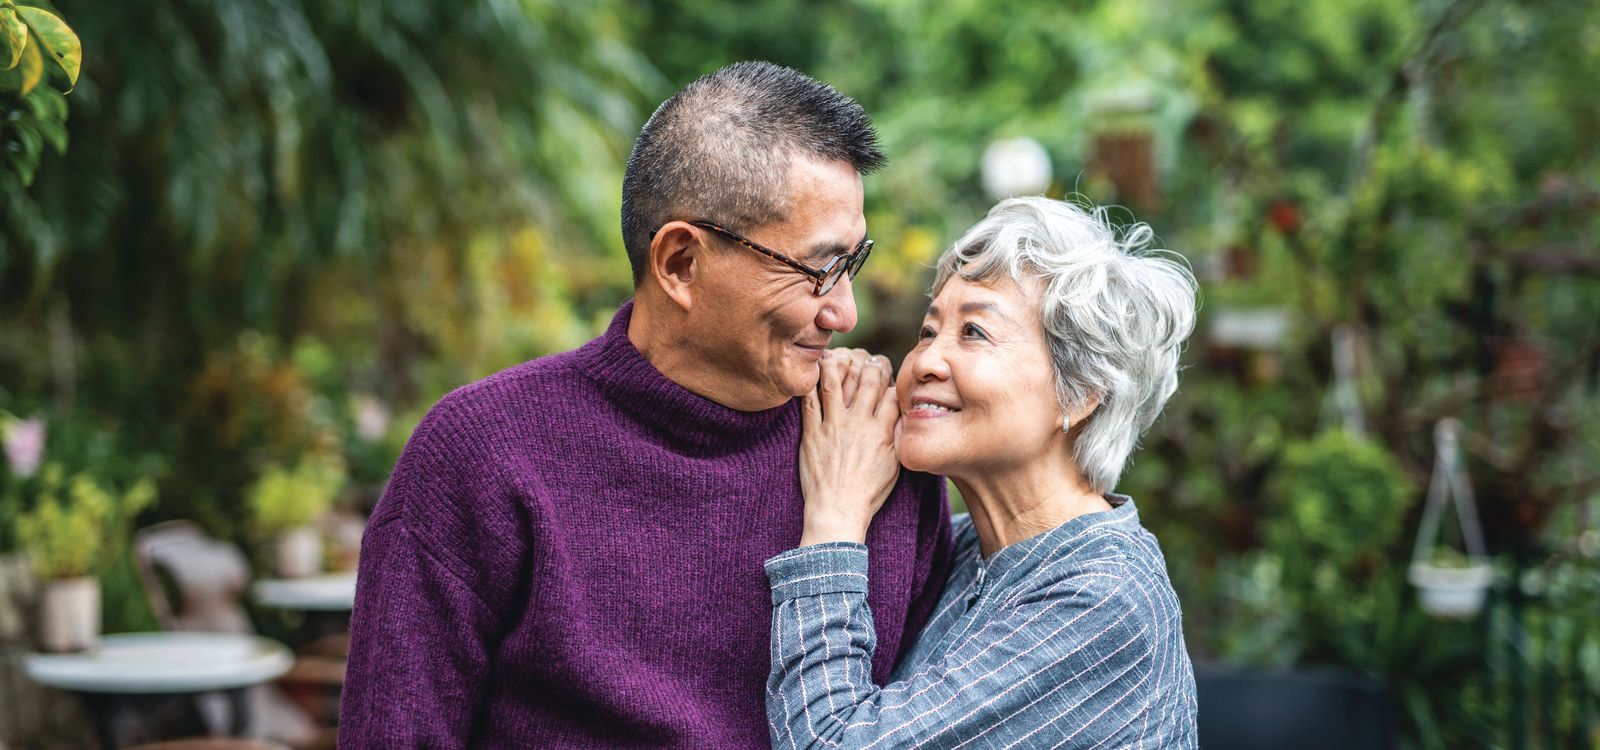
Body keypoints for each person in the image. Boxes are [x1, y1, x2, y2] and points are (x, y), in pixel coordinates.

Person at [338, 61, 954, 748]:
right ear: (681, 264)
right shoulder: (482, 453)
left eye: (853, 264)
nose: (845, 311)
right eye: (819, 270)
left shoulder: (875, 451)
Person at [766, 196, 1200, 748]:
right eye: (928, 331)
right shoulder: (969, 550)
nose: (923, 361)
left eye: (974, 333)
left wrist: (833, 515)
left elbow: (833, 741)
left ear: (1084, 390)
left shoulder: (1106, 597)